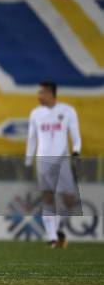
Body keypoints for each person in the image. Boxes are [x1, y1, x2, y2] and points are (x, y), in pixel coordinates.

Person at [25, 81, 81, 248]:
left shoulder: (68, 111)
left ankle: (55, 229)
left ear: (51, 93)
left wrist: (77, 151)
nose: (39, 96)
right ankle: (52, 238)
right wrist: (28, 162)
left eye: (42, 92)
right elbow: (32, 138)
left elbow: (75, 134)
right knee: (48, 198)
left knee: (69, 200)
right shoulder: (35, 113)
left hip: (62, 159)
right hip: (43, 160)